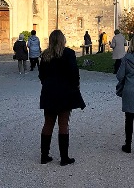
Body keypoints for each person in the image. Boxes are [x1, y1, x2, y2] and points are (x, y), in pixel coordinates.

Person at [39, 29, 86, 166]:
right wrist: (75, 86)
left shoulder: (45, 55)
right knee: (63, 124)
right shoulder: (69, 54)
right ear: (62, 40)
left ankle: (44, 155)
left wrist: (48, 84)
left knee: (48, 123)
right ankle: (64, 157)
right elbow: (74, 73)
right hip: (65, 92)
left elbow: (42, 75)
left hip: (49, 92)